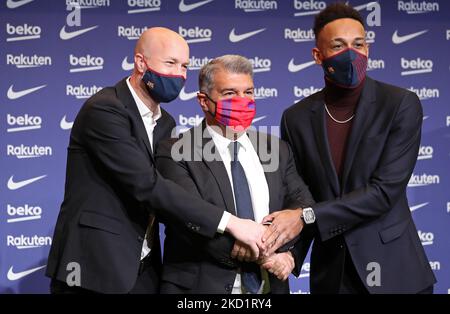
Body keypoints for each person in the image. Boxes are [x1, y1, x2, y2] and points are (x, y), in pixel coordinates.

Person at [46, 28, 271, 294]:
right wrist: (232, 223)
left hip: (143, 267)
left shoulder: (166, 123)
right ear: (141, 62)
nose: (180, 74)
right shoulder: (105, 109)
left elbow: (170, 194)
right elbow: (146, 184)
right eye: (170, 63)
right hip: (93, 266)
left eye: (185, 66)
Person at [265, 3, 436, 294]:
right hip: (333, 275)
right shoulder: (295, 119)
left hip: (395, 272)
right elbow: (301, 197)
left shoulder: (399, 104)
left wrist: (307, 217)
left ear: (368, 50)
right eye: (338, 45)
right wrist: (291, 255)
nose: (351, 53)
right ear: (318, 56)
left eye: (358, 44)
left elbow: (383, 193)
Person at [155, 55, 314, 294]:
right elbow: (186, 220)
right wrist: (264, 254)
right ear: (203, 101)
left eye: (248, 92)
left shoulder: (276, 150)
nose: (242, 101)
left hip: (270, 287)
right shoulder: (176, 151)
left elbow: (303, 206)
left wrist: (290, 255)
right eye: (230, 93)